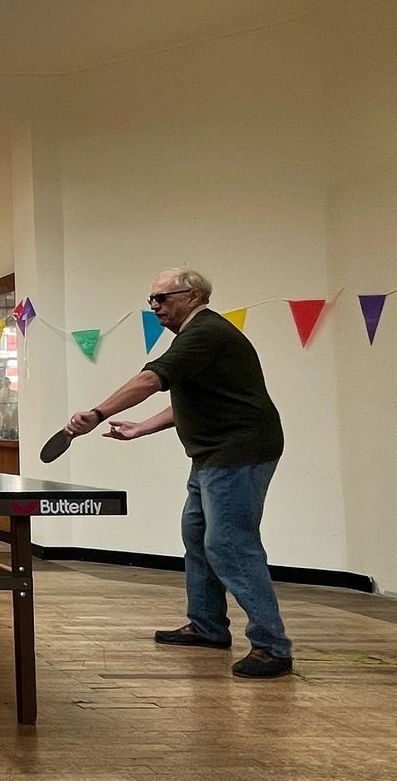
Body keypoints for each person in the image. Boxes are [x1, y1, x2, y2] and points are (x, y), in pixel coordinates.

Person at [64, 267, 291, 679]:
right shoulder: (194, 338)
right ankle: (208, 627)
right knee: (197, 535)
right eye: (151, 300)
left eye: (162, 299)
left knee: (230, 544)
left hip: (238, 452)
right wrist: (141, 427)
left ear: (193, 296)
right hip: (210, 454)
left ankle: (272, 647)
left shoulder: (204, 332)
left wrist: (98, 413)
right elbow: (191, 401)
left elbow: (150, 379)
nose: (154, 307)